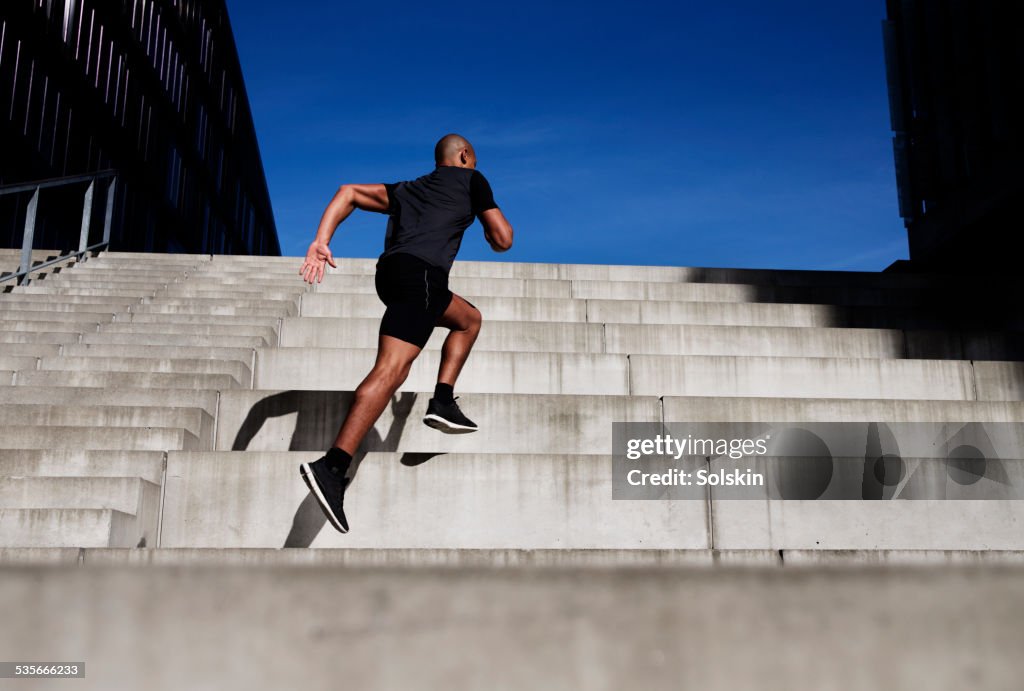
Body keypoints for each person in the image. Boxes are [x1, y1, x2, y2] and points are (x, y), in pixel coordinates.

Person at [297, 133, 514, 533]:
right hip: (423, 275)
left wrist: (321, 241)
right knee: (392, 369)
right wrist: (485, 225)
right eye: (472, 157)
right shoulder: (472, 179)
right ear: (465, 155)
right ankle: (332, 467)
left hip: (392, 275)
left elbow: (348, 192)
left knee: (468, 319)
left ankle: (443, 401)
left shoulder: (408, 190)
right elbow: (503, 239)